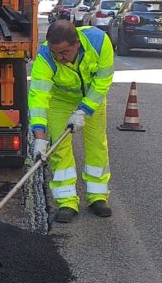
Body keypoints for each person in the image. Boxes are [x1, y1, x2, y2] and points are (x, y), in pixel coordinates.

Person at [28, 19, 115, 223]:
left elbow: (103, 81)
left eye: (64, 53)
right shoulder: (45, 57)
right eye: (55, 52)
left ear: (76, 43)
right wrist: (39, 137)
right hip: (60, 101)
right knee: (59, 147)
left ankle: (98, 197)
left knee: (96, 145)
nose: (59, 58)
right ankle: (66, 201)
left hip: (92, 98)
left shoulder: (99, 42)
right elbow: (38, 97)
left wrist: (84, 110)